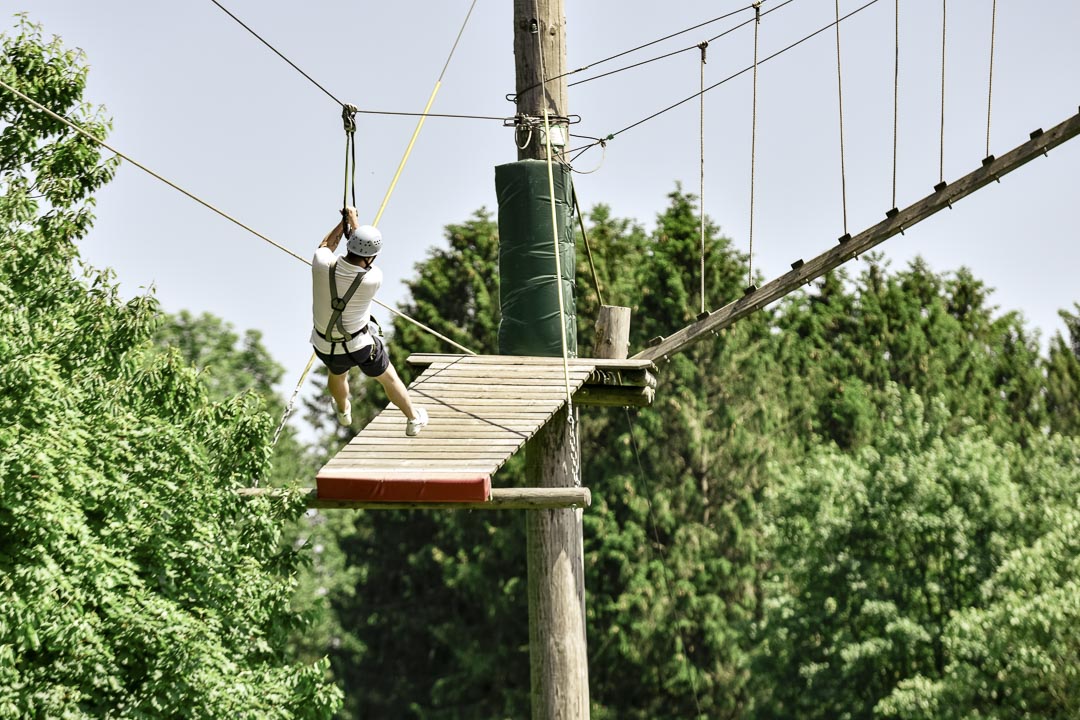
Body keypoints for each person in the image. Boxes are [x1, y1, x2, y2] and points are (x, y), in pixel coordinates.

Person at [311, 206, 428, 436]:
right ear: (371, 256)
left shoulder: (320, 263)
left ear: (349, 245)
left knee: (337, 375)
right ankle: (413, 418)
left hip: (326, 345)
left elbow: (326, 246)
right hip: (360, 345)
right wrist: (355, 223)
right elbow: (366, 258)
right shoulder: (372, 278)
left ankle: (344, 411)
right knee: (388, 377)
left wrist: (343, 221)